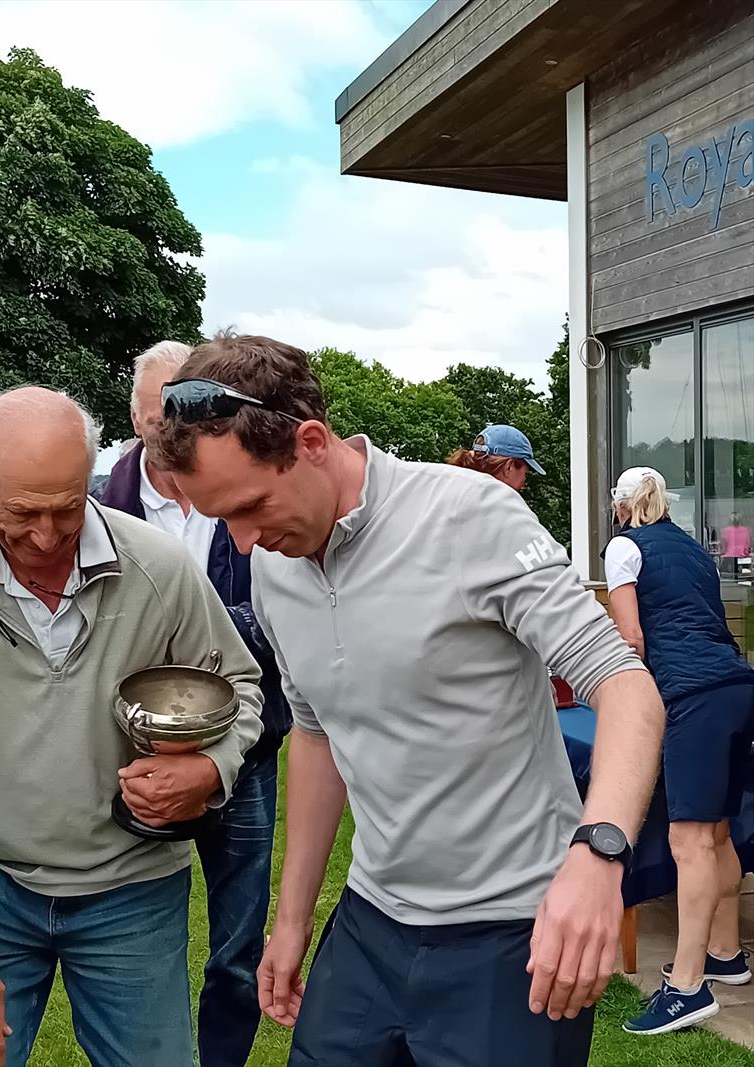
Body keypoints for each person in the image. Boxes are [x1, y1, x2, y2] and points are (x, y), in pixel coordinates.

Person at [151, 332, 666, 1067]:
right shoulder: (276, 564)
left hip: (512, 932)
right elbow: (317, 732)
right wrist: (293, 917)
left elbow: (625, 684)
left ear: (311, 440)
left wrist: (598, 853)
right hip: (371, 919)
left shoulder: (471, 516)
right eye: (220, 520)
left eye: (251, 505)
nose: (244, 541)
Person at [0, 387, 264, 1067]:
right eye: (21, 512)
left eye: (66, 509)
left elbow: (242, 686)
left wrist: (211, 767)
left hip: (133, 888)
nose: (45, 535)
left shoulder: (158, 566)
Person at [97, 340, 292, 1067]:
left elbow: (284, 608)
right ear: (135, 415)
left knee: (238, 949)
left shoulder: (244, 481)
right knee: (136, 940)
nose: (168, 437)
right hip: (140, 754)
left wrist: (199, 632)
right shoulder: (99, 504)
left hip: (247, 752)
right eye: (154, 421)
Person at [603, 466, 754, 1036]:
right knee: (716, 833)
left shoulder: (624, 547)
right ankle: (724, 952)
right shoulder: (695, 551)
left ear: (621, 507)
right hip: (739, 687)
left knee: (688, 841)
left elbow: (631, 639)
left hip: (692, 697)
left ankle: (687, 988)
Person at [447, 423, 546, 492]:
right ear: (509, 467)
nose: (523, 485)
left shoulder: (443, 486)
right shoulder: (505, 510)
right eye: (525, 474)